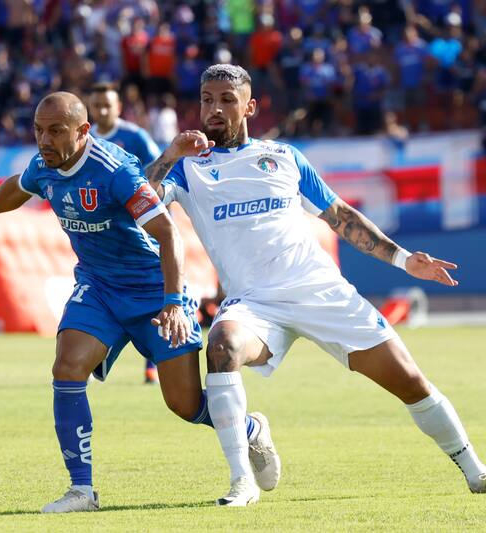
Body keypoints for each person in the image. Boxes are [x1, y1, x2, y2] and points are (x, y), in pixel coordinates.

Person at [145, 64, 486, 506]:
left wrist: (404, 260)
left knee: (411, 382)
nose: (214, 109)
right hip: (254, 304)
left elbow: (341, 217)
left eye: (226, 100)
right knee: (222, 348)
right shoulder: (188, 168)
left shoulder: (283, 158)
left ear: (249, 106)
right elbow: (140, 200)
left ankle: (476, 471)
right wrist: (170, 155)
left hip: (319, 290)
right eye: (207, 99)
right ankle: (241, 482)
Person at [0, 91, 281, 513]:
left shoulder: (115, 170)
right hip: (98, 288)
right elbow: (17, 188)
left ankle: (248, 428)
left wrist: (173, 302)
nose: (44, 140)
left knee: (185, 404)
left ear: (82, 132)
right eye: (39, 131)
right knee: (67, 365)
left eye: (56, 131)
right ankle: (81, 490)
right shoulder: (45, 165)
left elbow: (169, 233)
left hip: (154, 292)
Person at [87, 81, 164, 385]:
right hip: (105, 234)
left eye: (108, 104)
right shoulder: (85, 139)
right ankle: (93, 356)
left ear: (118, 107)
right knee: (99, 289)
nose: (103, 110)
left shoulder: (134, 136)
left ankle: (152, 364)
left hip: (141, 229)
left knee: (151, 293)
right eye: (97, 105)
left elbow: (159, 170)